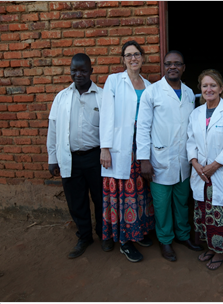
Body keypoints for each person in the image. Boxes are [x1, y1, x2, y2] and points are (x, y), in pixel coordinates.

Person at [137, 50, 202, 262]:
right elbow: (143, 127)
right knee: (162, 203)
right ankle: (165, 240)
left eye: (177, 64)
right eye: (168, 64)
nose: (172, 67)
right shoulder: (152, 92)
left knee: (182, 201)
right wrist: (144, 159)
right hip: (159, 159)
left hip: (183, 160)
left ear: (184, 68)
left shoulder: (190, 93)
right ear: (164, 67)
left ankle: (183, 235)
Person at [47, 53, 107, 258]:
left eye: (83, 70)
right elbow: (53, 129)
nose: (78, 74)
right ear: (70, 71)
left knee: (100, 199)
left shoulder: (102, 96)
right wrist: (52, 158)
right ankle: (84, 236)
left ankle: (103, 234)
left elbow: (109, 129)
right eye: (74, 70)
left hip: (95, 157)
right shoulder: (62, 97)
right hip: (70, 158)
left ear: (91, 70)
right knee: (76, 200)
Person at [99, 40, 154, 263]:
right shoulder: (114, 81)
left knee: (139, 190)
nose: (133, 58)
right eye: (128, 55)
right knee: (123, 194)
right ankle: (124, 241)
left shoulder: (149, 85)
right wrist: (104, 148)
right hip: (119, 146)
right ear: (123, 59)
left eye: (137, 54)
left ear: (142, 57)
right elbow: (106, 115)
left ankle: (136, 232)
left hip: (140, 145)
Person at [187, 69, 223, 270]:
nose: (208, 89)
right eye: (204, 86)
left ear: (220, 88)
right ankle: (210, 247)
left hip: (221, 173)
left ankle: (221, 251)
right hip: (201, 173)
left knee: (222, 214)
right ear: (200, 89)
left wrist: (214, 166)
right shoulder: (196, 113)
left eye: (213, 85)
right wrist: (194, 162)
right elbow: (190, 141)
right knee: (205, 213)